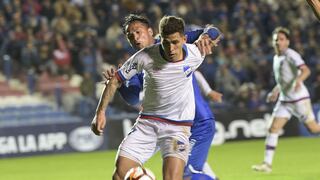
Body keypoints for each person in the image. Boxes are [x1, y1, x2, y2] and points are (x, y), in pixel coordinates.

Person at [91, 15, 221, 180]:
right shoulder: (142, 58)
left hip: (179, 127)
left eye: (138, 32)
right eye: (130, 36)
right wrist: (101, 111)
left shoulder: (194, 51)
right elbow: (127, 93)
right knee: (120, 175)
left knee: (183, 176)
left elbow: (213, 31)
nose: (135, 38)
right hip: (148, 124)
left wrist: (208, 35)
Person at [252, 26, 320, 173]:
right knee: (273, 128)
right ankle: (267, 164)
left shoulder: (291, 54)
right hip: (285, 101)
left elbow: (306, 70)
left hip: (299, 99)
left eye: (282, 39)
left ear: (287, 42)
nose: (278, 42)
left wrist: (298, 81)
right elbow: (283, 79)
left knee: (314, 129)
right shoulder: (277, 57)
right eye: (276, 40)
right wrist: (275, 91)